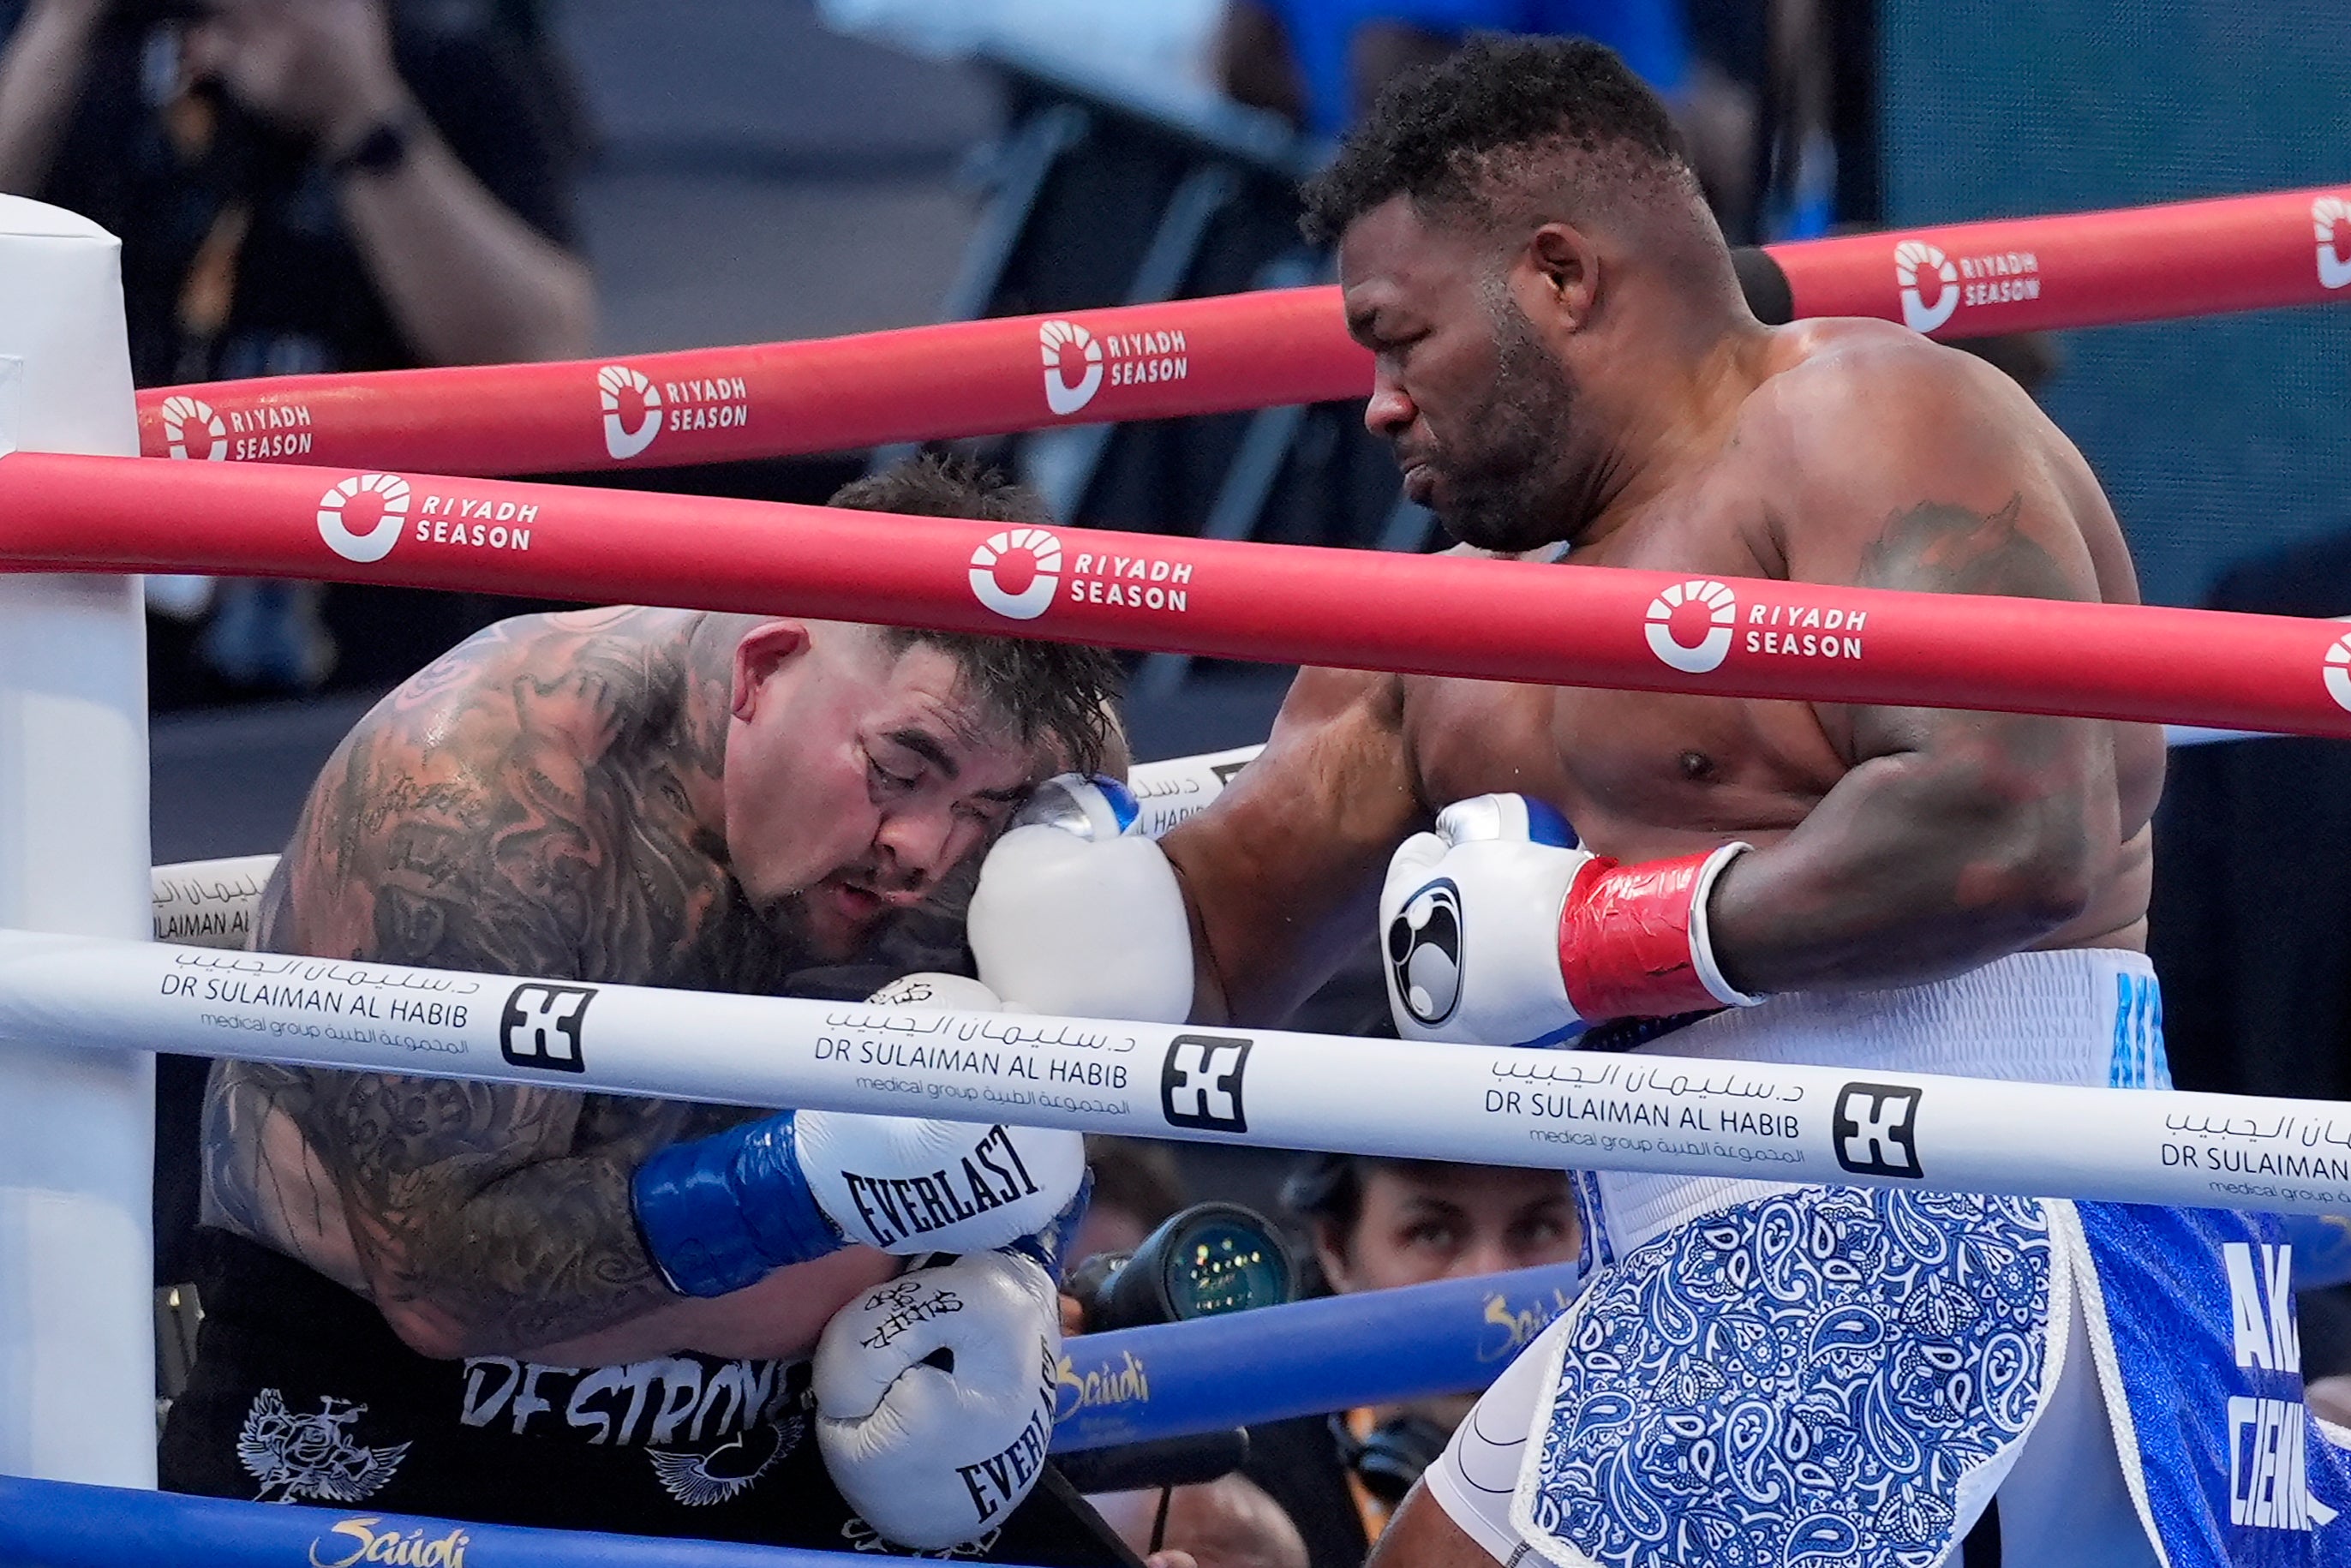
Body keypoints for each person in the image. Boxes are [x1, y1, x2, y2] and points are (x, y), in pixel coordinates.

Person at [967, 36, 2343, 1565]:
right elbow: (1199, 952)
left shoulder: (1856, 417)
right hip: (1681, 1255)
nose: (1373, 406)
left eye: (1397, 338)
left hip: (1959, 1190)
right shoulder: (1437, 637)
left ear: (1557, 276)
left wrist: (1597, 942)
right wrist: (1033, 869)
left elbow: (2019, 824)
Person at [159, 458, 1138, 1563]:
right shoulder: (478, 794)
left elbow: (1046, 1107)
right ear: (765, 671)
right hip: (403, 1408)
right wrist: (794, 1190)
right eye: (897, 770)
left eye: (982, 805)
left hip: (789, 1412)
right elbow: (439, 1288)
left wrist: (1011, 1275)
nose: (924, 846)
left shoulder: (1043, 770)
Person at [0, 0, 594, 691]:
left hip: (368, 644)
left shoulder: (441, 59)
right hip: (83, 636)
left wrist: (358, 111)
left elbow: (543, 350)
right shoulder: (70, 51)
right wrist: (62, 30)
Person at [1246, 1156, 1581, 1568]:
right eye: (1432, 1233)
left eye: (1538, 1229)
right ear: (1336, 1251)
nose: (1489, 1287)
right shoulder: (1239, 1489)